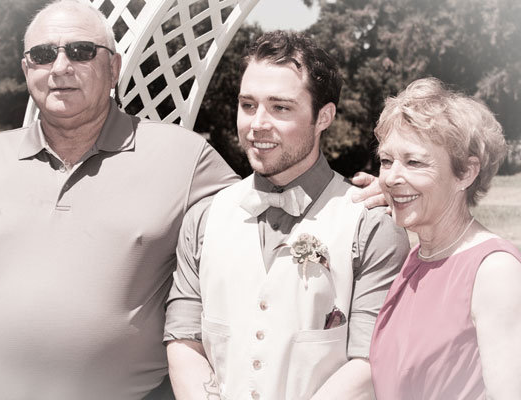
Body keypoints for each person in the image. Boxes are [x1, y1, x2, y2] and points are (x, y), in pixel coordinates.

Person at [0, 1, 238, 399]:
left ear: (114, 68)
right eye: (41, 55)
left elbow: (260, 229)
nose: (59, 67)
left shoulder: (185, 158)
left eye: (81, 51)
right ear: (26, 70)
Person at [164, 30, 410, 400]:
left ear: (323, 116)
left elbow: (370, 361)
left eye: (280, 107)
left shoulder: (372, 222)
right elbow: (184, 338)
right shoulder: (203, 218)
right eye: (248, 105)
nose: (257, 124)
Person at [370, 77, 521, 399]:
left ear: (465, 173)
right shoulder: (417, 259)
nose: (392, 177)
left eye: (414, 162)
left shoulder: (494, 272)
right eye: (386, 161)